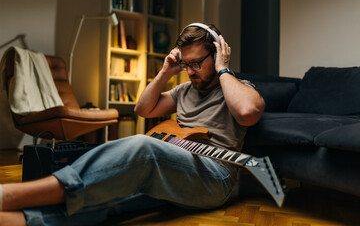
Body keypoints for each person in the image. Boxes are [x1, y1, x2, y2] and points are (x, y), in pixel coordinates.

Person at [0, 23, 264, 226]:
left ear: (217, 54)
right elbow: (143, 109)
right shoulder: (184, 90)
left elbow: (247, 113)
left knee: (143, 146)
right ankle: (22, 220)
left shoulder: (237, 88)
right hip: (174, 171)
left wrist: (223, 69)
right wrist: (165, 72)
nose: (191, 71)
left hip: (214, 178)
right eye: (186, 64)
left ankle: (10, 195)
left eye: (197, 63)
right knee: (112, 196)